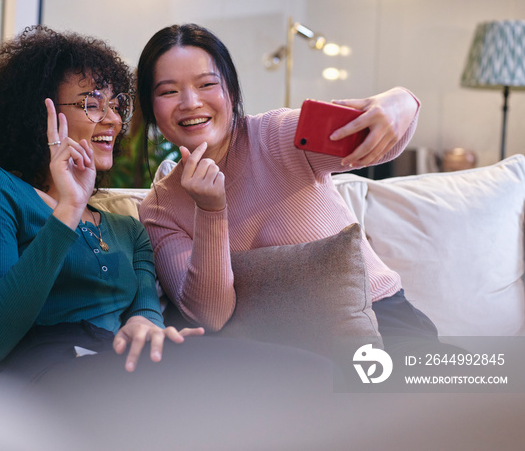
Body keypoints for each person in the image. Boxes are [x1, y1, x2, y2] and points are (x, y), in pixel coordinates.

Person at [135, 23, 444, 352]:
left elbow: (377, 140)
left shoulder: (277, 135)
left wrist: (402, 101)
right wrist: (210, 210)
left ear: (233, 93)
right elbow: (210, 315)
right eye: (168, 91)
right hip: (281, 354)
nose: (190, 102)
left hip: (382, 319)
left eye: (207, 84)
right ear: (151, 108)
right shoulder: (161, 208)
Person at [0, 25, 203, 389]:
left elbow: (145, 303)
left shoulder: (129, 229)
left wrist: (144, 321)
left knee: (271, 371)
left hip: (126, 367)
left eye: (116, 105)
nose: (113, 120)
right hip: (53, 377)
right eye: (92, 104)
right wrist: (68, 210)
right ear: (37, 115)